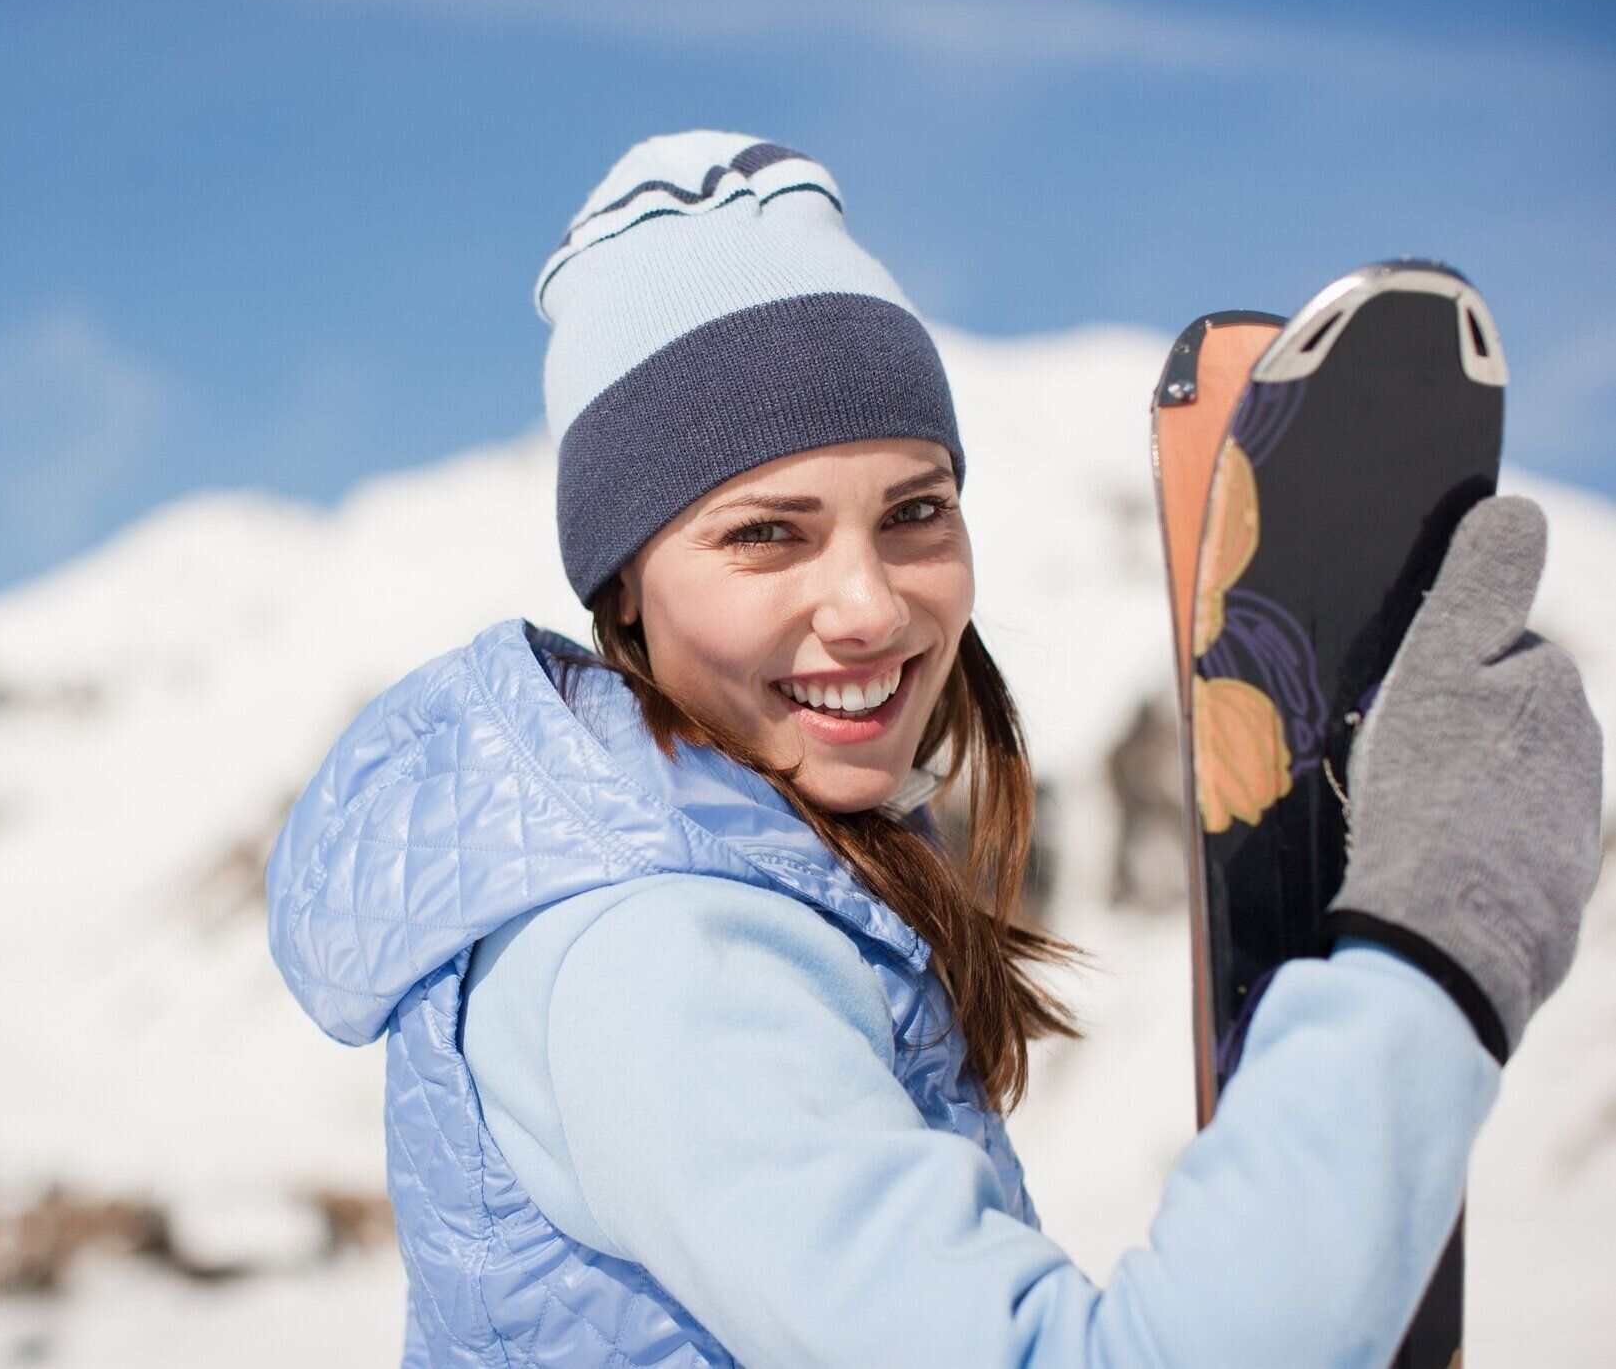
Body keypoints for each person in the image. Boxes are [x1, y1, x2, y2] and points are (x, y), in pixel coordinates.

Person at [264, 130, 1603, 1366]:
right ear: (623, 582)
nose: (867, 606)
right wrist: (1444, 942)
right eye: (766, 533)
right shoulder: (656, 962)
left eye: (915, 512)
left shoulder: (750, 886)